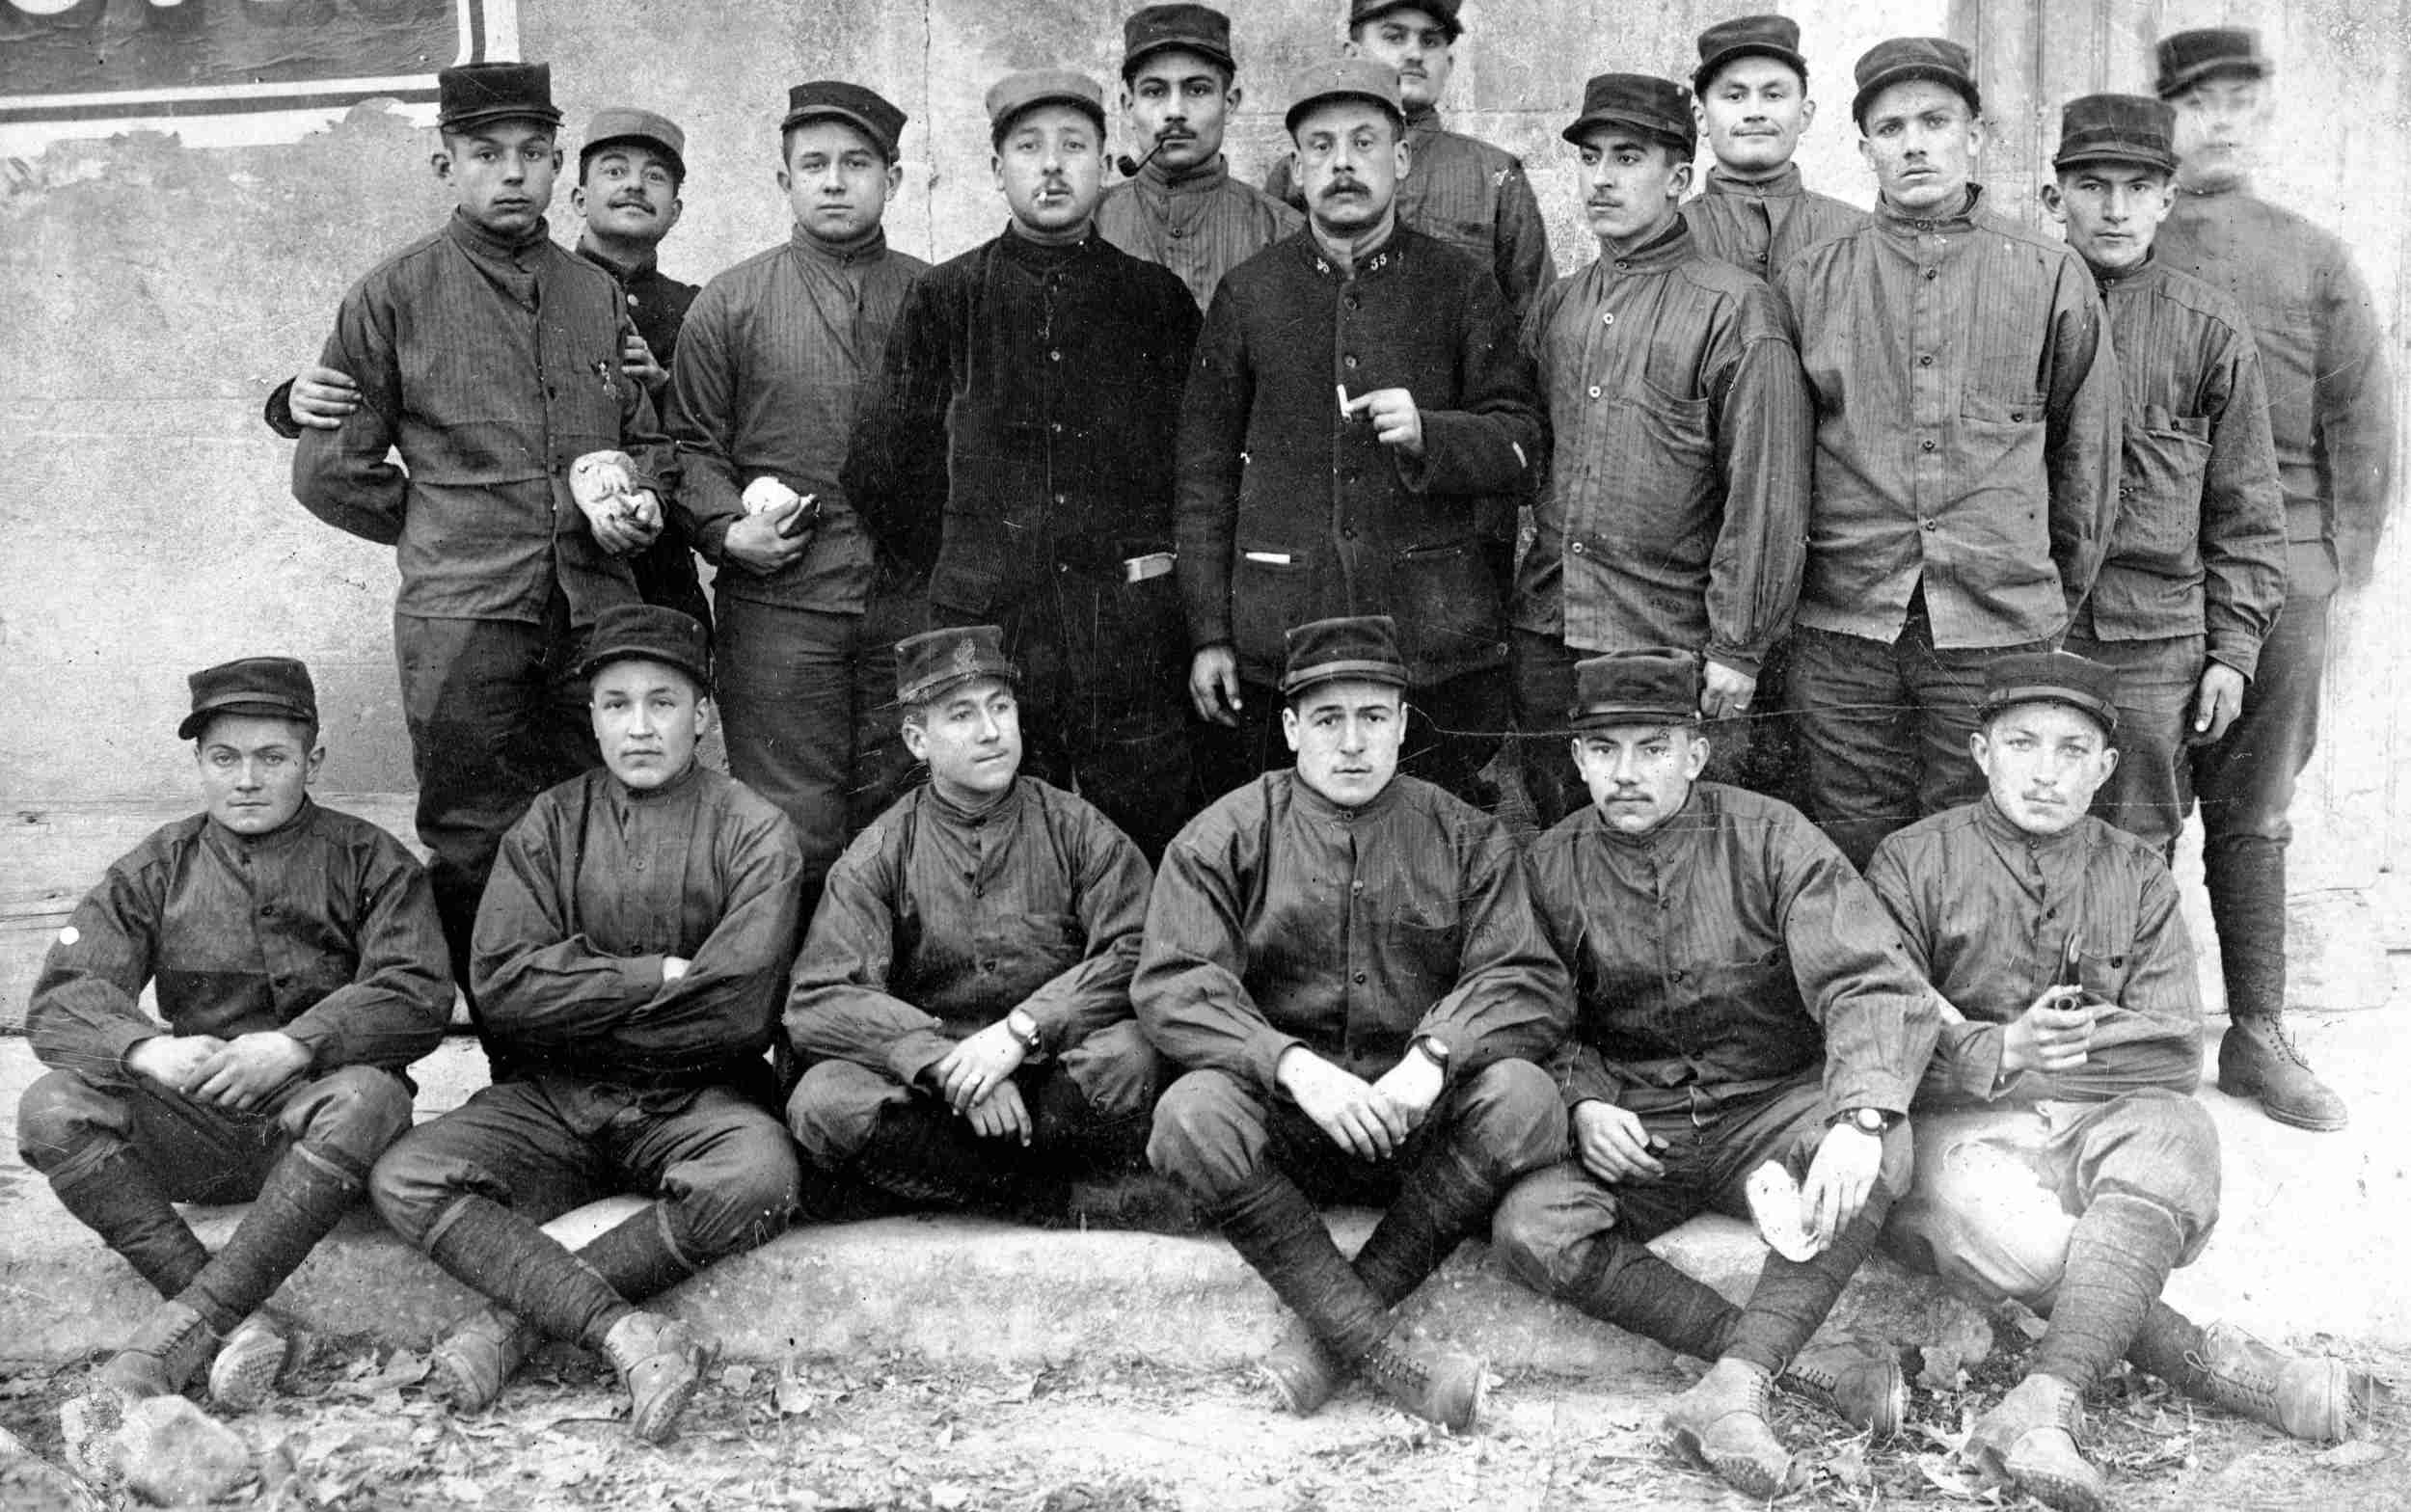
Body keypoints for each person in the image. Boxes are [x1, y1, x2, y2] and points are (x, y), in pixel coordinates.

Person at [1866, 651, 2374, 1512]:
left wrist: (2042, 1053)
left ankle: (2044, 1400)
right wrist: (2006, 1051)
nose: (2045, 771)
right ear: (1981, 751)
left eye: (2072, 752)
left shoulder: (2135, 871)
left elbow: (2175, 1047)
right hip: (1962, 1122)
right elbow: (1883, 1031)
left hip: (2098, 1121)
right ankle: (2227, 1373)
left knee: (2180, 1133)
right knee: (2021, 1233)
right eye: (2022, 744)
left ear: (2105, 771)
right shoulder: (1909, 861)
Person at [289, 63, 676, 1043]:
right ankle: (513, 1052)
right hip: (464, 615)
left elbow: (648, 439)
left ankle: (598, 1039)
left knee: (600, 821)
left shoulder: (594, 294)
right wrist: (439, 524)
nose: (511, 174)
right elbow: (327, 471)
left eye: (531, 155)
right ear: (445, 162)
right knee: (472, 836)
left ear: (557, 167)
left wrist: (636, 498)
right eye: (484, 154)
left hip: (588, 607)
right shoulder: (393, 294)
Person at [1491, 648, 1933, 1498]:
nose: (1627, 773)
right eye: (1604, 750)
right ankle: (1795, 1367)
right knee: (1533, 1227)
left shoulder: (1770, 836)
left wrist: (1862, 1116)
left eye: (1653, 748)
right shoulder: (1547, 865)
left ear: (1696, 753)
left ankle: (1735, 1387)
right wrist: (1582, 1103)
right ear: (1576, 759)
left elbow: (1868, 978)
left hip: (1767, 1112)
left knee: (1883, 1153)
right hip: (1637, 1126)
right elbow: (1526, 1011)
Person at [368, 607, 803, 1443]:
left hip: (691, 1102)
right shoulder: (549, 823)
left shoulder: (754, 828)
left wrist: (575, 1003)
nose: (639, 728)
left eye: (663, 702)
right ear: (592, 715)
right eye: (615, 704)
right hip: (556, 1102)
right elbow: (502, 985)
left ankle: (515, 1323)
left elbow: (736, 1006)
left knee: (760, 1177)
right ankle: (622, 1332)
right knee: (407, 1174)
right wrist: (652, 979)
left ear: (704, 713)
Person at [1137, 615, 1568, 1432]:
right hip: (1292, 1130)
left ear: (1404, 724)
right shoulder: (1228, 833)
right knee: (1191, 1114)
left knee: (1527, 1098)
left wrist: (1434, 1057)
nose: (1352, 744)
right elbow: (1173, 983)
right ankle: (1386, 1357)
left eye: (1374, 717)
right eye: (1328, 720)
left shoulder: (1465, 834)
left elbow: (1527, 977)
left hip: (1421, 1134)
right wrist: (1291, 1065)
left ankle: (1330, 1340)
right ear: (1292, 726)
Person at [20, 659, 449, 1422]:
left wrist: (296, 1046)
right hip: (197, 1121)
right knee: (51, 1106)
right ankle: (233, 1318)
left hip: (314, 1136)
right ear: (199, 764)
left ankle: (189, 1326)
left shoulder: (370, 860)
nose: (246, 779)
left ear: (312, 762)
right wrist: (148, 1051)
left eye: (272, 758)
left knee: (370, 1098)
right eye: (225, 758)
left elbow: (416, 992)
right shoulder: (158, 866)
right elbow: (64, 995)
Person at [1774, 37, 2120, 869]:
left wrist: (2037, 602)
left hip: (1996, 626)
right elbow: (1776, 466)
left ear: (1976, 134)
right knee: (1854, 848)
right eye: (1890, 128)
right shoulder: (1812, 279)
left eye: (1936, 120)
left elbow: (2088, 467)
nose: (1915, 143)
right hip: (1845, 623)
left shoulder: (2048, 273)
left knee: (1976, 852)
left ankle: (1970, 1008)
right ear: (1863, 150)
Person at [846, 70, 1200, 859]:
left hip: (1127, 629)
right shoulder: (947, 298)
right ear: (995, 167)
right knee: (999, 828)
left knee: (1140, 827)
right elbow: (882, 465)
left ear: (1107, 165)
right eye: (1029, 147)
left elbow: (1197, 464)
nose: (1052, 166)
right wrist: (964, 566)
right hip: (990, 624)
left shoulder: (1155, 300)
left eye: (1074, 147)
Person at [1177, 58, 1541, 807]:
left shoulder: (1460, 285)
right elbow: (1205, 475)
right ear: (1296, 164)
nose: (1342, 164)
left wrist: (1430, 436)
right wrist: (1210, 632)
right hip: (1280, 637)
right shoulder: (1250, 293)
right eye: (1320, 146)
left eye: (1365, 142)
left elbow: (1524, 443)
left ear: (1402, 158)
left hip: (1430, 643)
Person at [2149, 27, 2396, 1132]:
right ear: (2165, 117)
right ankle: (2137, 1034)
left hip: (2284, 563)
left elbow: (2362, 422)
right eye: (2200, 104)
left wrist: (2338, 576)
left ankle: (2256, 1032)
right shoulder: (2123, 245)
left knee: (2252, 810)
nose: (2221, 122)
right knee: (2128, 806)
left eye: (2240, 103)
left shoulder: (2310, 254)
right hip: (2145, 568)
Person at [270, 105, 710, 635]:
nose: (635, 188)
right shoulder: (448, 286)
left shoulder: (691, 310)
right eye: (615, 172)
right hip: (490, 595)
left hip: (633, 581)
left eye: (655, 177)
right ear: (577, 193)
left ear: (679, 209)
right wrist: (443, 521)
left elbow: (704, 437)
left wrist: (667, 392)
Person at [1511, 72, 1809, 826]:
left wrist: (1738, 648)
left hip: (1668, 644)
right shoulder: (1564, 303)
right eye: (1591, 158)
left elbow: (1766, 495)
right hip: (1554, 634)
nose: (1603, 179)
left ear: (1679, 177)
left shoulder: (1735, 307)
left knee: (1683, 858)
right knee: (1567, 850)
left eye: (1629, 158)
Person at [785, 625, 1161, 1216]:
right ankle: (1056, 1197)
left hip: (1052, 1070)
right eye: (961, 715)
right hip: (935, 1089)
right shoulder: (881, 850)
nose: (991, 732)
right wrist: (943, 1064)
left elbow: (1138, 948)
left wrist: (1021, 1033)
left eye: (1001, 707)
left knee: (1132, 1055)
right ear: (917, 739)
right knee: (824, 1100)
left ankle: (961, 1179)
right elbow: (820, 998)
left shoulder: (1077, 828)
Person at [668, 82, 930, 903]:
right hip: (781, 603)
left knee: (910, 813)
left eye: (857, 163)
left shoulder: (939, 296)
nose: (834, 181)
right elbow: (686, 446)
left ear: (892, 175)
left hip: (909, 597)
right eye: (812, 164)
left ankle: (893, 1011)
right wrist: (722, 530)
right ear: (784, 181)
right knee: (791, 822)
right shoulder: (733, 301)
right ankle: (797, 1017)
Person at [2038, 98, 2284, 858]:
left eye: (2138, 188)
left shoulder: (2209, 326)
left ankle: (2127, 983)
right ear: (2054, 197)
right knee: (2017, 836)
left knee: (2136, 852)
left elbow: (2247, 510)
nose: (2115, 210)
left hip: (2153, 642)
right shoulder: (2018, 308)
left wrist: (2232, 652)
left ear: (2168, 200)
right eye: (2092, 185)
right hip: (2029, 627)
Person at [1264, 0, 1551, 321]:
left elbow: (1534, 320)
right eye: (1394, 37)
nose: (1414, 54)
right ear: (1352, 53)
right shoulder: (1302, 173)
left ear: (1449, 64)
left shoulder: (1494, 174)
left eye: (1429, 41)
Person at [1097, 4, 1301, 311]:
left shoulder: (1284, 234)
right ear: (1128, 106)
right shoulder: (1090, 226)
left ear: (1229, 103)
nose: (1175, 111)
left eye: (1197, 90)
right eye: (1155, 92)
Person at [1680, 15, 1866, 278]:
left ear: (1805, 114)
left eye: (1773, 95)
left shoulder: (1859, 235)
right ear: (1701, 117)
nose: (1755, 112)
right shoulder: (1668, 236)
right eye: (1735, 96)